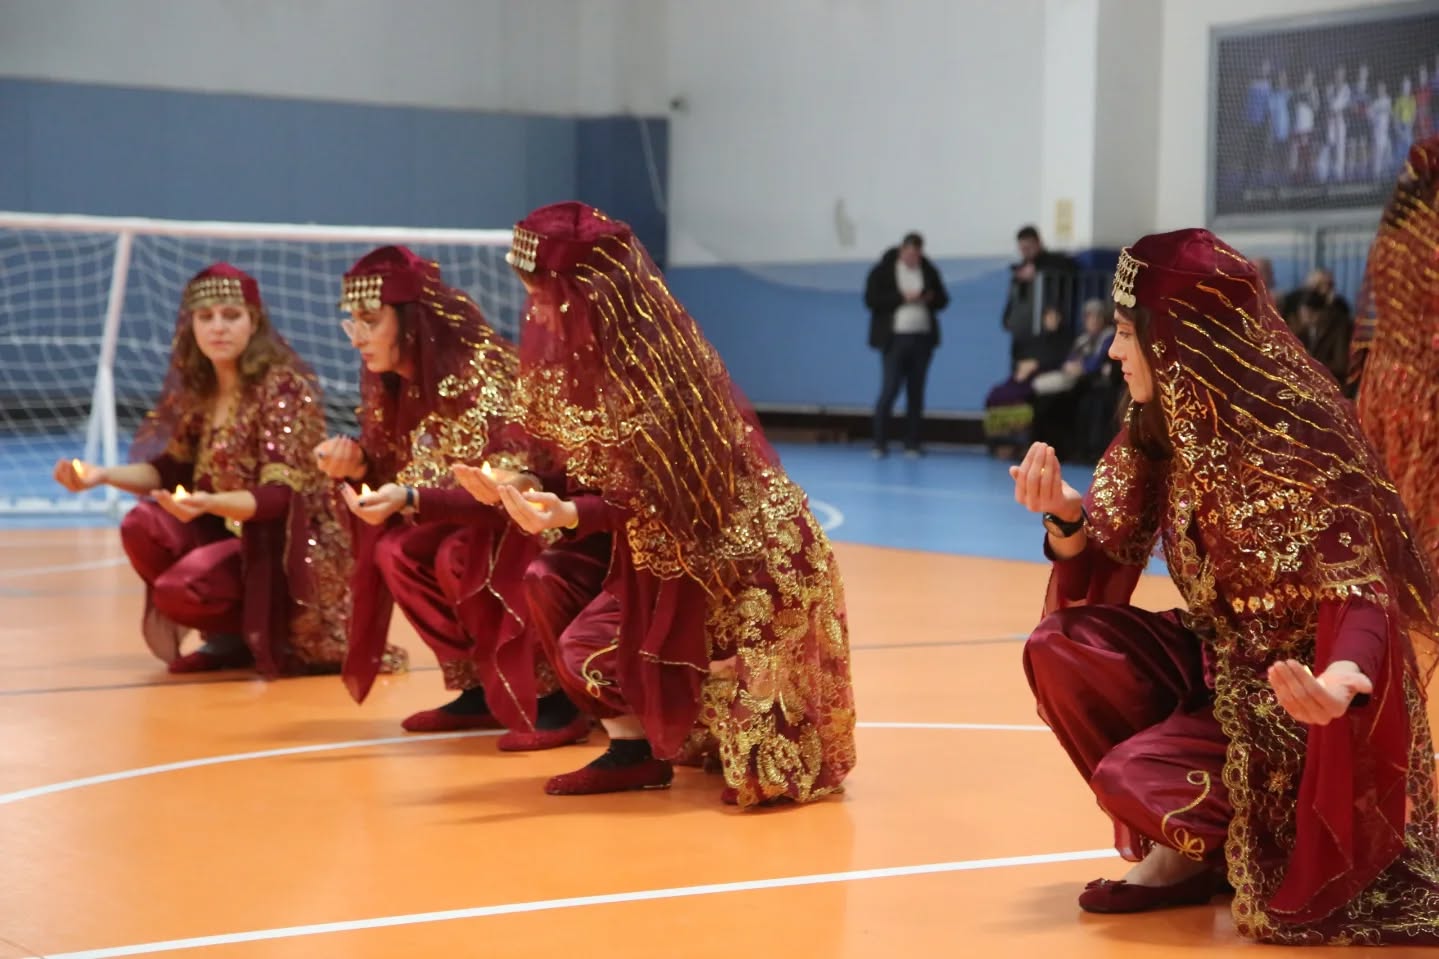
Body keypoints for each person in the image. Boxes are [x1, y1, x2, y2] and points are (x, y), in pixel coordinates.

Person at [1013, 228, 1439, 944]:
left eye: (1126, 333)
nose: (1114, 351)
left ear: (1179, 339)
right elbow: (1105, 563)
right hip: (1221, 665)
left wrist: (1339, 679)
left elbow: (1359, 591)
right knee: (1060, 647)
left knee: (1131, 777)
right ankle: (1186, 849)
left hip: (1299, 702)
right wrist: (1065, 519)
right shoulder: (1163, 424)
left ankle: (1235, 841)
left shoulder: (1297, 443)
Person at [487, 201, 856, 807]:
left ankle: (704, 718)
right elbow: (595, 471)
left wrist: (572, 514)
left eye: (545, 296)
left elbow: (669, 502)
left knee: (765, 773)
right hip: (670, 558)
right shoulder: (590, 363)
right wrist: (529, 481)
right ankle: (636, 750)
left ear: (586, 295)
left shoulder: (658, 374)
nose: (538, 313)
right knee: (573, 622)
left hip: (742, 563)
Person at [315, 246, 584, 749]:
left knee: (457, 555)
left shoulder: (483, 374)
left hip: (539, 524)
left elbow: (511, 492)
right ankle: (477, 685)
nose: (357, 338)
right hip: (464, 520)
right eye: (352, 322)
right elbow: (402, 468)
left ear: (411, 319)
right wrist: (358, 466)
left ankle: (554, 694)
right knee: (396, 551)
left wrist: (411, 495)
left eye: (370, 321)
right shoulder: (395, 383)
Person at [54, 264, 363, 676]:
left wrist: (209, 504)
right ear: (192, 326)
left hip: (279, 546)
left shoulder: (282, 388)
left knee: (181, 588)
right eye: (206, 316)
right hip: (226, 531)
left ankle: (264, 631)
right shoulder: (203, 389)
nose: (218, 327)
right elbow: (171, 469)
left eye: (231, 315)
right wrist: (101, 476)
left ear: (254, 322)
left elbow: (281, 497)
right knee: (141, 524)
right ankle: (228, 637)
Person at [1354, 135, 1439, 573]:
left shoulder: (1390, 238)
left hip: (1383, 383)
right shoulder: (1432, 240)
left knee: (1389, 498)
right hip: (1426, 387)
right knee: (1424, 501)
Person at [864, 232, 950, 457]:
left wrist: (929, 298)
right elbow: (871, 300)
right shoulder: (883, 271)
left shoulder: (928, 270)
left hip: (922, 338)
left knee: (916, 391)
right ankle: (879, 442)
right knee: (890, 388)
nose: (913, 258)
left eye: (917, 255)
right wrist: (902, 298)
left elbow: (943, 299)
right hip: (894, 338)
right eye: (910, 254)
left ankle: (912, 442)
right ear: (902, 251)